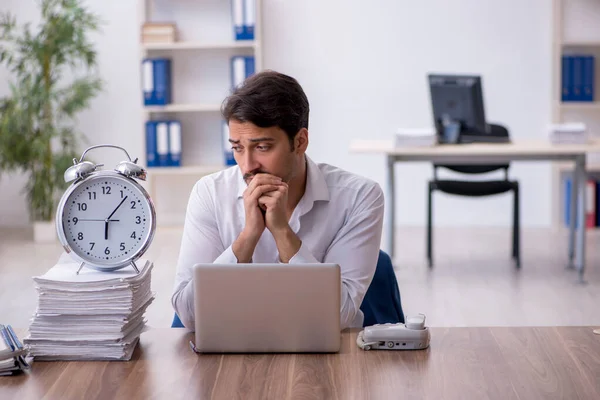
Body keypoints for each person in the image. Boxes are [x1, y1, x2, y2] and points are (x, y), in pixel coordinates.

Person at [171, 70, 385, 330]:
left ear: (300, 141)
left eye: (262, 147)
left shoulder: (359, 197)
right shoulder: (209, 193)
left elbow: (338, 316)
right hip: (229, 348)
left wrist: (282, 232)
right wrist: (248, 237)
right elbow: (188, 316)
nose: (247, 165)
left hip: (324, 354)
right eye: (237, 148)